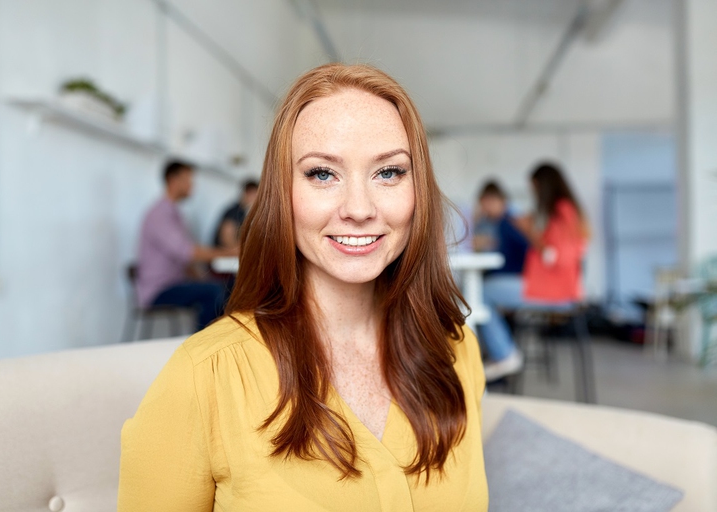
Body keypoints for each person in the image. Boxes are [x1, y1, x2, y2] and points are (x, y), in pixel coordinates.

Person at [119, 64, 488, 511]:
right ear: (282, 193)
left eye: (389, 172)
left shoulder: (458, 350)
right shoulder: (203, 377)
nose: (358, 208)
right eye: (321, 174)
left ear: (418, 192)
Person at [479, 162, 589, 381]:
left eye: (534, 189)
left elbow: (554, 256)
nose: (534, 194)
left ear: (542, 185)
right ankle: (503, 353)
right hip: (548, 287)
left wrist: (529, 231)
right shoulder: (564, 211)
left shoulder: (563, 211)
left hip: (554, 291)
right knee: (483, 290)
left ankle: (504, 354)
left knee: (482, 292)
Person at [136, 160, 238, 330]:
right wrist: (230, 253)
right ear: (173, 180)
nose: (192, 185)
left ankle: (216, 343)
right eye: (188, 179)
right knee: (215, 291)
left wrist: (200, 276)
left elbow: (183, 259)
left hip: (173, 283)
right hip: (159, 290)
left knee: (225, 287)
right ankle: (201, 348)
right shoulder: (160, 215)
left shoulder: (173, 213)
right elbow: (187, 252)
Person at [473, 180, 529, 275]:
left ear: (503, 201)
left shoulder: (511, 223)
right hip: (490, 273)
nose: (488, 206)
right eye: (485, 202)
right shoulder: (482, 223)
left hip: (509, 273)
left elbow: (520, 250)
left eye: (492, 201)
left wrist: (491, 242)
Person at [213, 179, 259, 248]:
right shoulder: (234, 212)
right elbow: (226, 240)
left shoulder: (244, 213)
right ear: (247, 193)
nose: (256, 199)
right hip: (221, 255)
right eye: (255, 195)